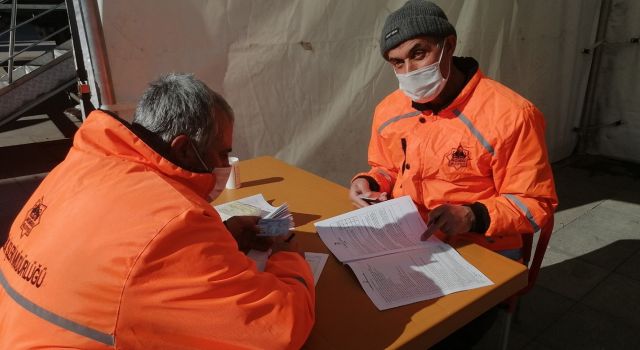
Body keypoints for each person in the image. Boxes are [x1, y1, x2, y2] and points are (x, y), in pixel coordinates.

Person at [0, 74, 315, 349]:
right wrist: (288, 253)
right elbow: (278, 329)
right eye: (222, 153)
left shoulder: (83, 165)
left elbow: (116, 244)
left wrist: (218, 235)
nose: (223, 165)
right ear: (184, 150)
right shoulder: (173, 223)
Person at [350, 0, 558, 257]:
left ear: (448, 45)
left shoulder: (512, 116)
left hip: (482, 243)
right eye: (397, 63)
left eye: (418, 54)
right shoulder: (388, 110)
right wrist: (370, 181)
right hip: (409, 235)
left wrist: (471, 216)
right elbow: (387, 168)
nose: (409, 71)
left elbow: (534, 203)